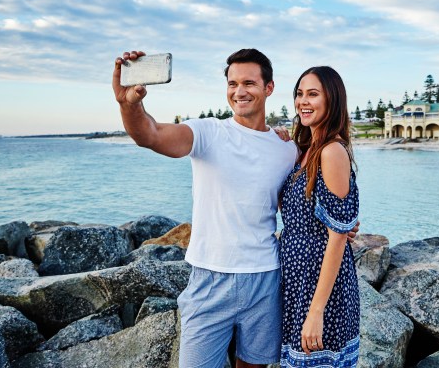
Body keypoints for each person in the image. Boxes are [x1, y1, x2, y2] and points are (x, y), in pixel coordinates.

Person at [113, 48, 298, 368]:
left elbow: (298, 204)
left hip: (265, 278)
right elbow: (150, 135)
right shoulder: (209, 132)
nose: (239, 91)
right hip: (209, 279)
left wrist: (342, 225)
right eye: (232, 84)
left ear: (268, 88)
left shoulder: (286, 148)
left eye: (249, 83)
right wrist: (129, 104)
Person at [278, 66, 360, 367]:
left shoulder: (331, 151)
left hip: (320, 286)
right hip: (297, 281)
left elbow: (338, 235)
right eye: (299, 94)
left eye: (313, 94)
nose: (303, 102)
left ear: (332, 100)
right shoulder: (303, 149)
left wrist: (316, 312)